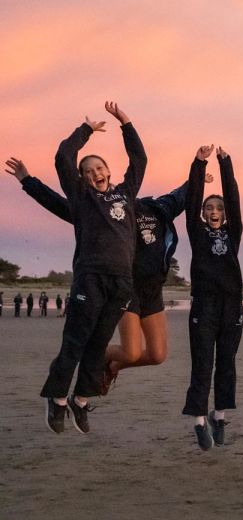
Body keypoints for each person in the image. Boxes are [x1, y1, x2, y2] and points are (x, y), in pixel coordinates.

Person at [5, 156, 193, 393]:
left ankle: (110, 366)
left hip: (153, 290)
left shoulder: (157, 208)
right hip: (127, 287)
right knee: (131, 351)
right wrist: (28, 181)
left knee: (157, 355)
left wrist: (199, 171)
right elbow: (59, 204)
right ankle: (86, 357)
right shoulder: (98, 211)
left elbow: (181, 195)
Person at [39, 102, 146, 434]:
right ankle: (57, 400)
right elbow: (62, 157)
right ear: (83, 179)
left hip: (122, 281)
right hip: (91, 277)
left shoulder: (126, 195)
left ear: (108, 172)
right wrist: (85, 131)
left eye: (99, 168)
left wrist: (126, 122)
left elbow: (139, 160)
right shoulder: (82, 199)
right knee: (76, 340)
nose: (95, 173)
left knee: (99, 343)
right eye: (88, 171)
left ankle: (81, 400)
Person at [181, 145, 243, 450]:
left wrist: (225, 163)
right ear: (204, 215)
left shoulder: (234, 232)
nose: (215, 212)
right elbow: (193, 197)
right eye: (210, 209)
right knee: (202, 363)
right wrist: (199, 163)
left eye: (219, 209)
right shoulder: (196, 230)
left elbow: (233, 196)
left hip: (231, 305)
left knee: (227, 362)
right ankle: (198, 421)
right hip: (203, 305)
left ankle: (219, 416)